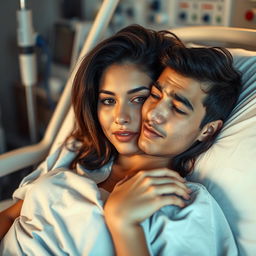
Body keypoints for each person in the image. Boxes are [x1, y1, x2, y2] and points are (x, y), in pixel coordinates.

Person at [0, 25, 241, 255]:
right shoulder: (80, 152)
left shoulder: (186, 206)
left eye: (138, 98)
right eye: (108, 100)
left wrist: (123, 223)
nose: (120, 118)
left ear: (207, 130)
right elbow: (12, 216)